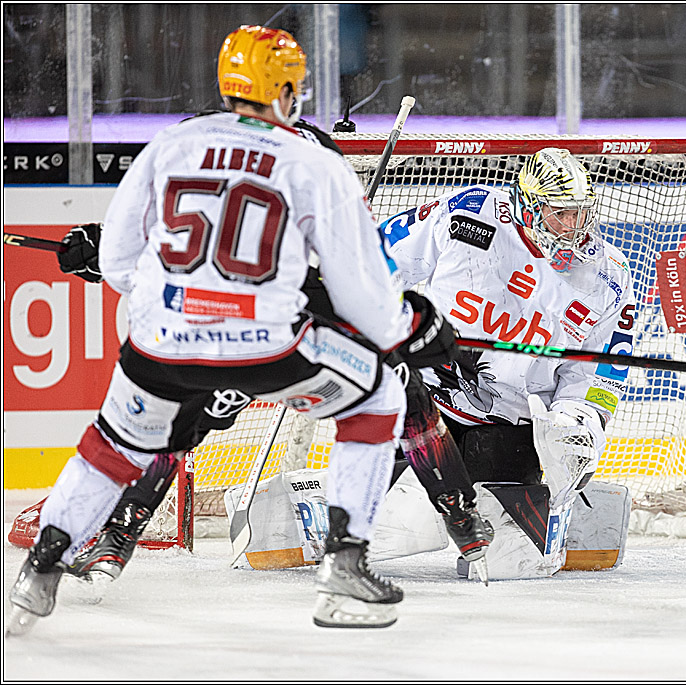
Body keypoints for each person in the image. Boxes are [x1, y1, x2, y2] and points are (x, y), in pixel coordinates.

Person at [7, 24, 456, 634]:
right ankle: (344, 566)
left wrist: (176, 309)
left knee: (111, 446)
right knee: (379, 394)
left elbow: (116, 262)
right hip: (268, 348)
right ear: (290, 89)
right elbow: (365, 300)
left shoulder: (172, 142)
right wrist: (414, 326)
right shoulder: (311, 160)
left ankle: (38, 573)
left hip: (160, 347)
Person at [379, 147, 638, 579]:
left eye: (580, 213)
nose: (573, 226)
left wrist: (579, 421)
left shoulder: (607, 275)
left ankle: (544, 504)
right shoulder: (469, 215)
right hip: (422, 397)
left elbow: (601, 369)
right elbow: (384, 252)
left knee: (511, 559)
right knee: (381, 523)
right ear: (528, 206)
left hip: (506, 422)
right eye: (560, 214)